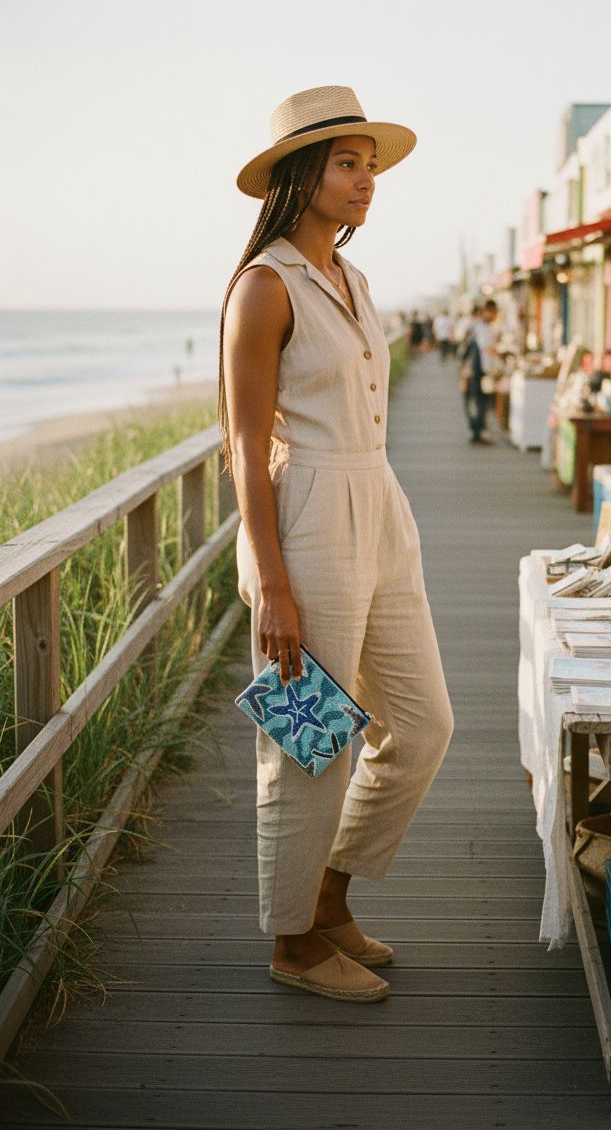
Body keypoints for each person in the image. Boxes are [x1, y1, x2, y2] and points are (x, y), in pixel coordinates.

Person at [219, 86, 454, 1004]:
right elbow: (243, 443)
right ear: (297, 177)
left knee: (424, 723)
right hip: (309, 510)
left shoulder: (353, 283)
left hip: (379, 502)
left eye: (369, 163)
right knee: (310, 741)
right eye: (345, 162)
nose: (366, 180)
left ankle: (329, 896)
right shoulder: (264, 286)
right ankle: (292, 941)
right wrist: (271, 581)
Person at [459, 298, 498, 443]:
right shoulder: (480, 328)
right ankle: (477, 430)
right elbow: (484, 349)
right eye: (494, 313)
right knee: (479, 400)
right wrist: (496, 350)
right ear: (487, 311)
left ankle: (477, 429)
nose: (495, 316)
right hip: (477, 371)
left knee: (480, 400)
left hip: (480, 370)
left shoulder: (481, 327)